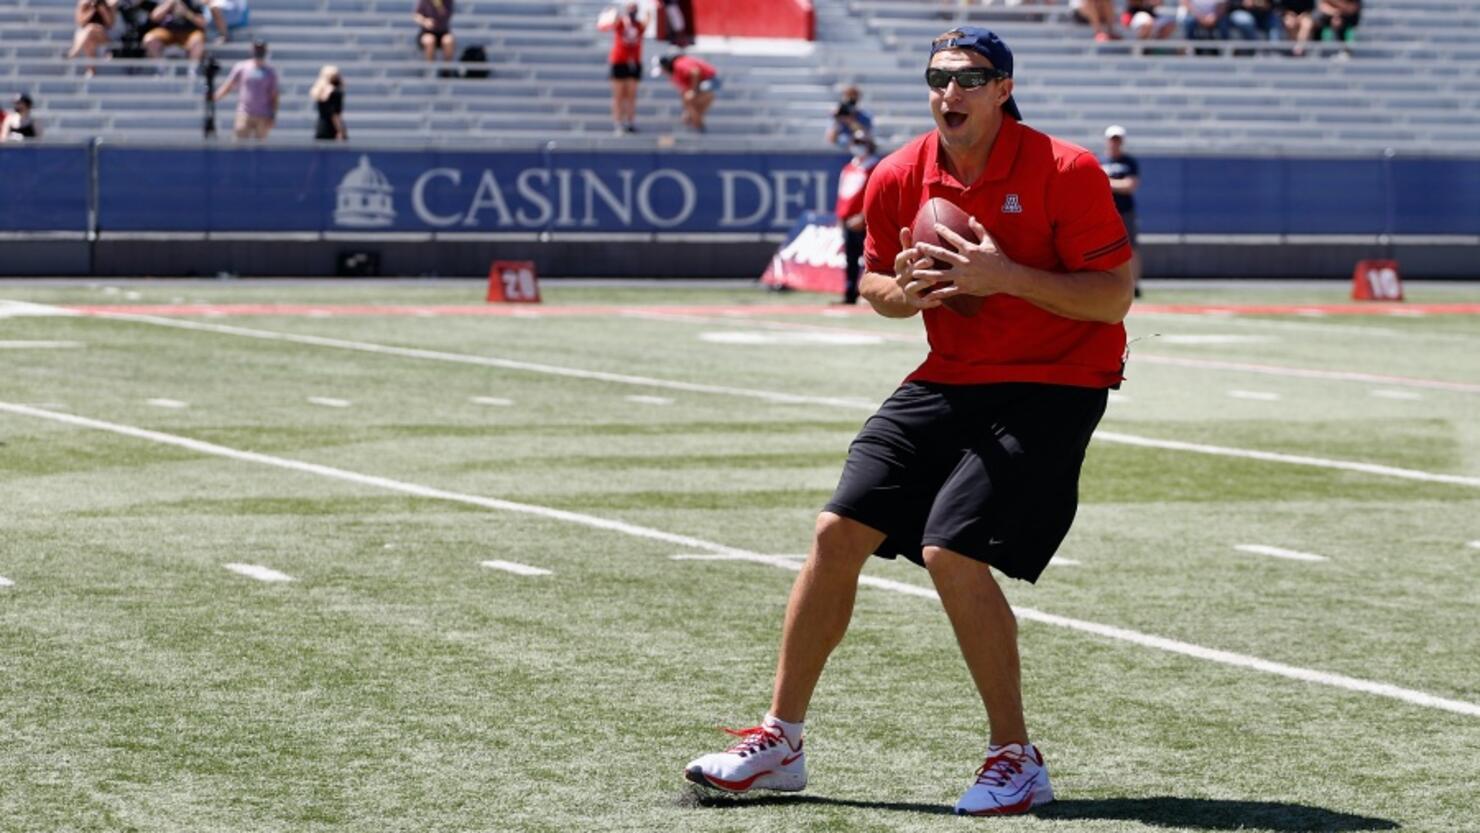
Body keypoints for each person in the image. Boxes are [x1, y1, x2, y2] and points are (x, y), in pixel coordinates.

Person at [683, 26, 1134, 816]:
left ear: (1003, 88)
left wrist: (1004, 278)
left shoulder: (1067, 168)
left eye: (972, 78)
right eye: (939, 77)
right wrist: (907, 292)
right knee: (835, 531)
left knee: (950, 548)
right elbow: (875, 290)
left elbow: (1111, 297)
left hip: (1056, 378)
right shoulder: (899, 174)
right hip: (949, 375)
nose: (951, 92)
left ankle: (1015, 757)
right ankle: (781, 740)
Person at [833, 135, 879, 305]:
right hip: (847, 219)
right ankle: (850, 293)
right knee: (850, 259)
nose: (857, 146)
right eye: (855, 143)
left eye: (861, 143)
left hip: (864, 221)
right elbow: (843, 194)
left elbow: (875, 196)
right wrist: (840, 216)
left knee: (870, 258)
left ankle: (870, 293)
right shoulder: (849, 167)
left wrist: (863, 216)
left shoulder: (874, 167)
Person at [1100, 125, 1142, 298]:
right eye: (1112, 139)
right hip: (1105, 211)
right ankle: (1105, 282)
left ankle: (1135, 284)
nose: (1115, 143)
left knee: (1132, 247)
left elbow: (1130, 185)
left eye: (1118, 139)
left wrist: (1107, 182)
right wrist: (1117, 184)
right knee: (1103, 248)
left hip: (1125, 210)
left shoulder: (1129, 162)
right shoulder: (1100, 161)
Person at [214, 39, 278, 140]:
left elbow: (273, 94)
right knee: (239, 144)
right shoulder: (242, 67)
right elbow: (229, 84)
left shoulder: (270, 71)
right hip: (245, 112)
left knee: (261, 148)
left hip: (263, 113)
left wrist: (273, 114)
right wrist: (216, 96)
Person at [599, 2, 648, 135]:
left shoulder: (639, 26)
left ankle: (630, 122)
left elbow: (647, 21)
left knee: (631, 95)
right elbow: (604, 26)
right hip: (619, 61)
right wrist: (614, 14)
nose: (633, 12)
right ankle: (618, 123)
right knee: (618, 95)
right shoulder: (621, 23)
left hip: (634, 62)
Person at [657, 52, 719, 132]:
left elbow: (695, 72)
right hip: (702, 83)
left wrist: (693, 91)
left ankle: (698, 125)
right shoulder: (675, 75)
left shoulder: (679, 64)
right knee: (689, 102)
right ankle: (698, 125)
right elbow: (684, 91)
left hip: (709, 80)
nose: (663, 73)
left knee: (689, 100)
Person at [142, 0, 207, 63]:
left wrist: (186, 13)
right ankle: (160, 69)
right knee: (150, 39)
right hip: (168, 32)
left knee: (198, 40)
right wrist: (169, 4)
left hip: (189, 33)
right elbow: (154, 17)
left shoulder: (194, 2)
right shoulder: (166, 1)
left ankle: (191, 70)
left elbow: (203, 23)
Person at [69, 0, 116, 75]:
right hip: (87, 35)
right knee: (89, 37)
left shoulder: (109, 4)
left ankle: (74, 53)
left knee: (90, 30)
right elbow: (80, 22)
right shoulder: (84, 3)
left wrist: (102, 10)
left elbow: (110, 24)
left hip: (103, 35)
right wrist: (92, 10)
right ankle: (91, 71)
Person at [825, 85, 874, 150]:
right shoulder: (837, 116)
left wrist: (850, 121)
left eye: (853, 98)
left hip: (857, 151)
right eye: (848, 97)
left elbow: (865, 137)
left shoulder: (865, 116)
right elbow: (831, 139)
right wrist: (838, 119)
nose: (850, 101)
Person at [311, 65, 347, 141]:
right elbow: (335, 114)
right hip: (333, 130)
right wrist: (340, 130)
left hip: (321, 128)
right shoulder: (335, 92)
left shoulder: (320, 91)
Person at [414, 0, 455, 64]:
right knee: (429, 40)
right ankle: (431, 67)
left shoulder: (448, 1)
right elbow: (416, 15)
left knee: (448, 40)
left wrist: (439, 6)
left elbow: (446, 14)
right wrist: (425, 21)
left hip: (443, 31)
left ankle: (447, 70)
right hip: (427, 31)